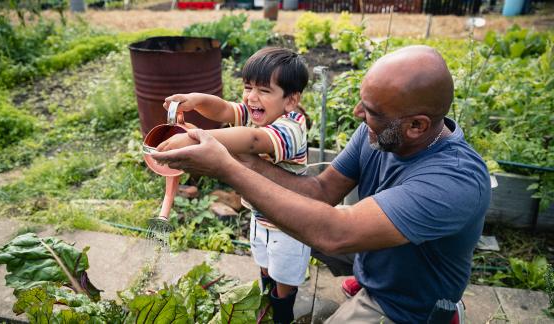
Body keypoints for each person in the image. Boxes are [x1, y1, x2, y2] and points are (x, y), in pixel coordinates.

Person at [152, 45, 491, 323]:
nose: (358, 114)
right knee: (294, 227)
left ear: (416, 126)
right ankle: (364, 275)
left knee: (316, 231)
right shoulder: (379, 133)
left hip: (405, 304)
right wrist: (242, 161)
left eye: (371, 111)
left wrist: (225, 165)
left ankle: (441, 315)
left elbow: (334, 233)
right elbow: (321, 193)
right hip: (374, 252)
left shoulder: (455, 180)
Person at [157, 47, 310, 324]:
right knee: (265, 266)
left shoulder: (291, 128)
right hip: (259, 215)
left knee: (284, 276)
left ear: (291, 100)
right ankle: (267, 305)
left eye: (264, 90)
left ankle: (283, 315)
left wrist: (196, 138)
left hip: (290, 224)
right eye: (248, 87)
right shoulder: (257, 113)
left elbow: (253, 140)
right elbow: (225, 109)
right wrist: (196, 100)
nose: (252, 97)